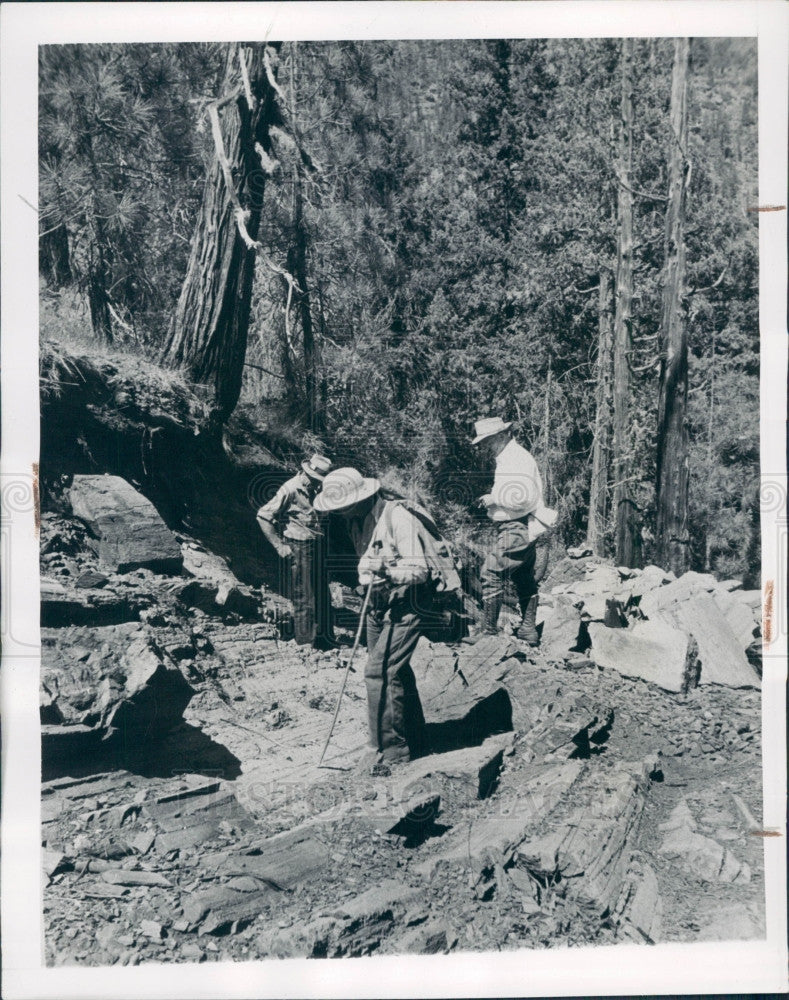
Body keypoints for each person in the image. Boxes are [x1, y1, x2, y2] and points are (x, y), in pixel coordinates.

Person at [314, 467, 431, 767]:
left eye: (342, 506)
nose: (338, 513)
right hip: (377, 604)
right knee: (397, 672)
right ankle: (415, 737)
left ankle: (391, 750)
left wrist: (388, 573)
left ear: (360, 498)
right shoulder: (356, 520)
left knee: (379, 672)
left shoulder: (397, 517)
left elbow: (420, 571)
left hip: (408, 602)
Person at [472, 417, 557, 645]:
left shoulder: (515, 458)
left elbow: (522, 497)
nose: (484, 447)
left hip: (517, 526)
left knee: (491, 572)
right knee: (523, 577)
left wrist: (493, 498)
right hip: (522, 525)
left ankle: (489, 632)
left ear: (501, 435)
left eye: (487, 441)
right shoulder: (510, 457)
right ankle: (528, 630)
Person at [256, 453, 336, 650]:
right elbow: (263, 516)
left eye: (320, 481)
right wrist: (279, 545)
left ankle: (326, 640)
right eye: (315, 480)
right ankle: (306, 642)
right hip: (298, 546)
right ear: (306, 473)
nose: (318, 484)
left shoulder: (318, 489)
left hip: (317, 545)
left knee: (323, 594)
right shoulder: (290, 489)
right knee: (304, 595)